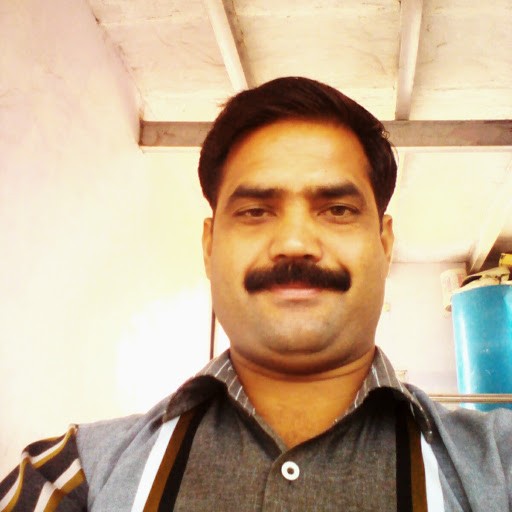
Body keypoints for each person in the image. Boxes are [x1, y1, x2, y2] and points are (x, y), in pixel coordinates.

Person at [1, 77, 511, 512]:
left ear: (384, 242)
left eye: (336, 209)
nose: (295, 242)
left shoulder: (500, 466)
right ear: (209, 245)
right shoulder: (73, 476)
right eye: (255, 211)